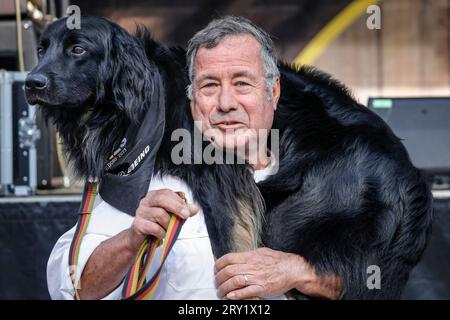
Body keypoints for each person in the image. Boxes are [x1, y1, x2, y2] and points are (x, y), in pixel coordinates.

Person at [47, 16, 343, 300]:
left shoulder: (325, 178)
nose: (226, 103)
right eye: (209, 85)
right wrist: (131, 239)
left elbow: (379, 278)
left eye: (242, 83)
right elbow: (76, 288)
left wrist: (302, 274)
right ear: (192, 99)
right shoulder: (145, 182)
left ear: (273, 92)